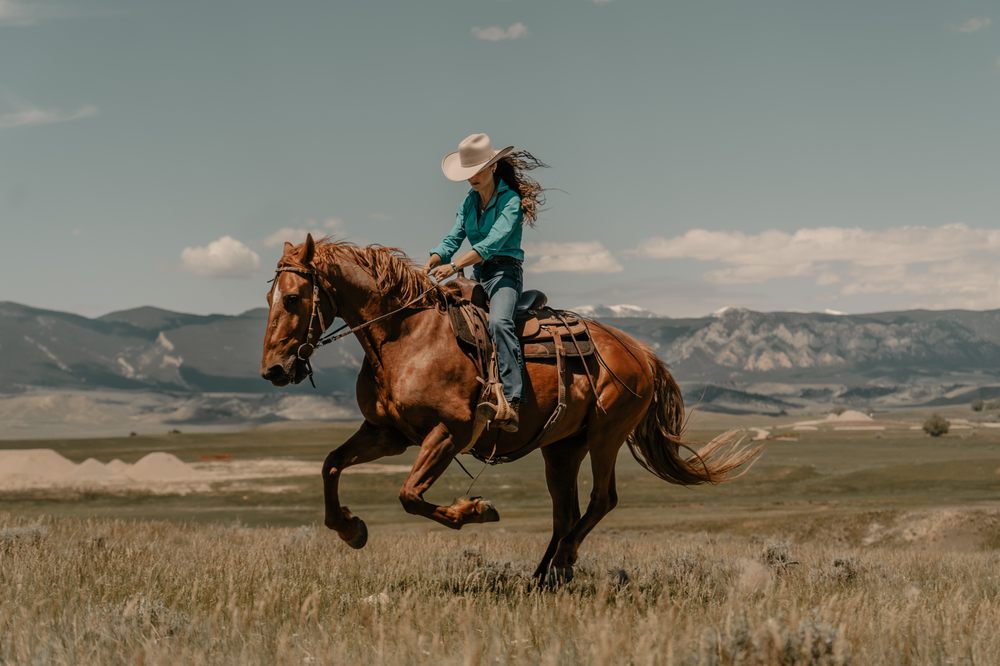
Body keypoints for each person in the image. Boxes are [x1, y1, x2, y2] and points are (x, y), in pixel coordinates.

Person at [424, 133, 546, 433]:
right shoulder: (469, 202)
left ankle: (513, 399)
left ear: (492, 167)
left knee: (500, 323)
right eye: (468, 173)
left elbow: (492, 244)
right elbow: (454, 236)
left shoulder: (510, 201)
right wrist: (432, 260)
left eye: (477, 170)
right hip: (478, 275)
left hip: (504, 273)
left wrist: (454, 266)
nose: (472, 178)